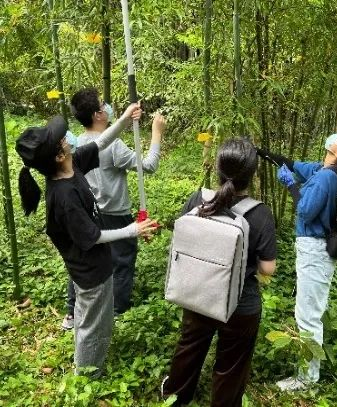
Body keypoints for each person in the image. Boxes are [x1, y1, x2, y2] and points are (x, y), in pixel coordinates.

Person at [15, 108, 157, 378]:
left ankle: (88, 361)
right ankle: (87, 375)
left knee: (91, 318)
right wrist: (132, 230)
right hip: (90, 271)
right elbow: (94, 236)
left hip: (95, 264)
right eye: (62, 139)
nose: (68, 138)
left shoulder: (71, 167)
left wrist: (125, 119)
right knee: (94, 325)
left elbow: (101, 142)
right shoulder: (64, 196)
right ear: (59, 156)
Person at [162, 138, 277, 407]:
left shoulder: (198, 200)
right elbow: (267, 268)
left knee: (190, 345)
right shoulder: (260, 214)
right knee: (232, 363)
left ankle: (175, 396)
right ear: (253, 174)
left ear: (218, 168)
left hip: (197, 292)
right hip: (241, 304)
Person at [257, 132, 337, 390]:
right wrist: (260, 151)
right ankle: (307, 372)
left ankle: (307, 378)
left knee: (308, 316)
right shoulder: (323, 170)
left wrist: (290, 185)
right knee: (307, 311)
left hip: (315, 251)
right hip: (313, 249)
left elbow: (305, 211)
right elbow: (291, 164)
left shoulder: (325, 177)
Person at [60, 87, 166, 330]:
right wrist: (156, 133)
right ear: (98, 114)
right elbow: (149, 166)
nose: (107, 106)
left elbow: (107, 139)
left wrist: (127, 121)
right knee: (122, 261)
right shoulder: (113, 145)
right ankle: (117, 313)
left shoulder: (78, 144)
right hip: (116, 215)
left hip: (89, 214)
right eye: (103, 104)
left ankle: (72, 313)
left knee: (85, 259)